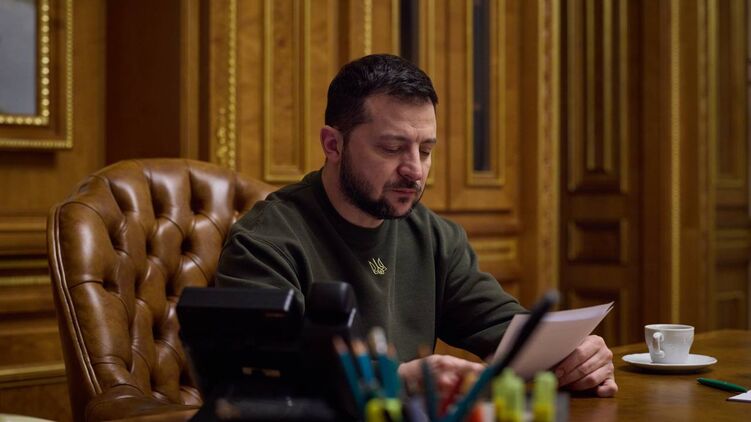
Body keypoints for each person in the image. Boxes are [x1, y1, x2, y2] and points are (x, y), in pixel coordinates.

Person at [215, 54, 617, 397]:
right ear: (333, 145)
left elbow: (500, 325)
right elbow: (268, 367)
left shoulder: (436, 236)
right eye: (393, 148)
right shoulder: (265, 240)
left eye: (425, 151)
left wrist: (569, 354)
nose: (415, 170)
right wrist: (400, 379)